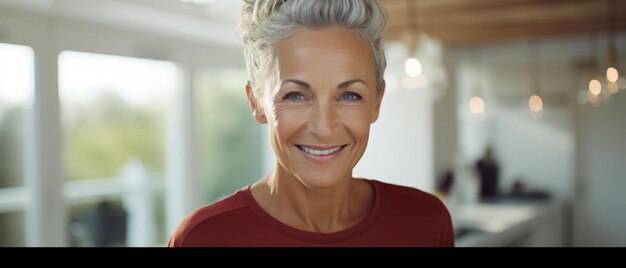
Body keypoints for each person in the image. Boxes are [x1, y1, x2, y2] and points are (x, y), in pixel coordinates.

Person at [169, 0, 454, 247]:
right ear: (256, 102)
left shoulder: (426, 224)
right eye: (296, 95)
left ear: (376, 103)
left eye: (350, 95)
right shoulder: (203, 238)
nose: (324, 127)